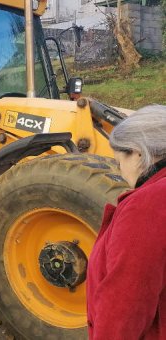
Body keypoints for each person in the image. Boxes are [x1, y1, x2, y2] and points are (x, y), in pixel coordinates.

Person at [87, 104, 166, 340]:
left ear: (138, 153)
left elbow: (126, 302)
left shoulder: (148, 205)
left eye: (119, 162)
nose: (121, 173)